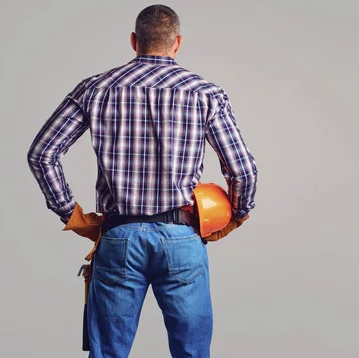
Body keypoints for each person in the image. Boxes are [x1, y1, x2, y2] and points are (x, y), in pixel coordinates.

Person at [26, 4, 258, 357]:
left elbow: (42, 153)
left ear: (134, 41)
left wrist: (71, 215)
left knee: (108, 353)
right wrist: (237, 215)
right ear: (177, 43)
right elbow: (242, 170)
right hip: (182, 239)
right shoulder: (204, 93)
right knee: (192, 353)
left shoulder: (96, 88)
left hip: (119, 238)